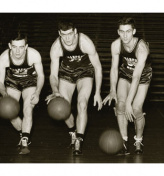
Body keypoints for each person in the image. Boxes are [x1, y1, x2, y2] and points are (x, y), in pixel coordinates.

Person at [47, 20, 103, 155]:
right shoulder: (56, 47)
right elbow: (53, 75)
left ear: (75, 32)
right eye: (64, 35)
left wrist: (98, 92)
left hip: (85, 72)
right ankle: (73, 131)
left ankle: (79, 139)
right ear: (59, 34)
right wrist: (55, 91)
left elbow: (98, 67)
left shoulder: (85, 42)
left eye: (70, 34)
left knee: (82, 103)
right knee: (63, 107)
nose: (67, 38)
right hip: (66, 73)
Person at [103, 17, 152, 155]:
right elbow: (113, 68)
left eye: (128, 31)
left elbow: (136, 77)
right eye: (122, 31)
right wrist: (112, 90)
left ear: (134, 31)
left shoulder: (141, 48)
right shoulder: (115, 45)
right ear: (118, 32)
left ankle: (138, 139)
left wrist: (129, 102)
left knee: (136, 109)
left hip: (142, 76)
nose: (125, 35)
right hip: (125, 73)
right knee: (120, 105)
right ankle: (124, 142)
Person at [0, 32, 45, 154]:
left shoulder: (34, 55)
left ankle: (24, 141)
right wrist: (4, 94)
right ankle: (24, 133)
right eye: (14, 47)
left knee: (27, 109)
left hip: (30, 83)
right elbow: (0, 81)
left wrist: (37, 92)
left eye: (21, 47)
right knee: (10, 113)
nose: (18, 51)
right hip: (12, 83)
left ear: (26, 46)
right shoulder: (4, 58)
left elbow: (41, 75)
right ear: (10, 46)